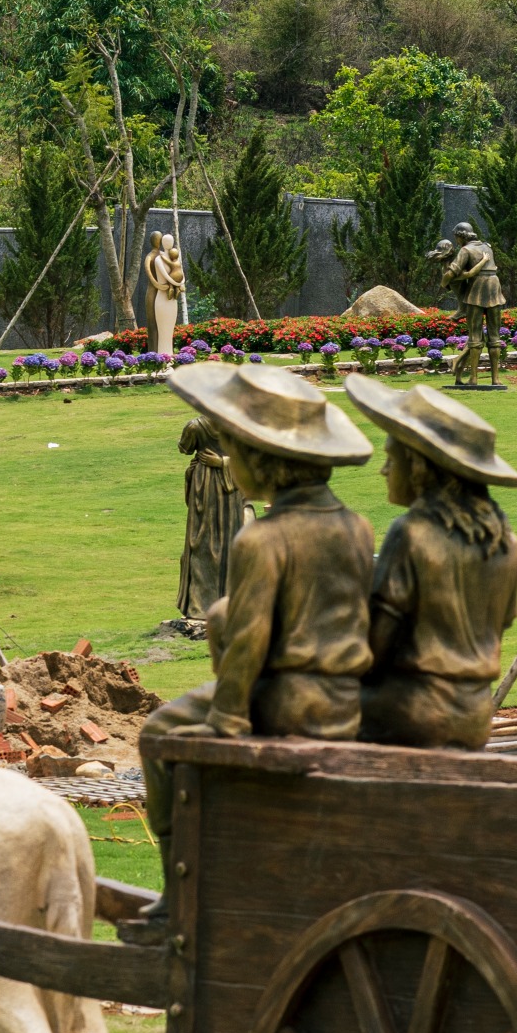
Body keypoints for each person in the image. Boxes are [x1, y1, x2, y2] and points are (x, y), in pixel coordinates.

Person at [136, 363, 375, 767]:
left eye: (238, 449)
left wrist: (226, 722)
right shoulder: (358, 527)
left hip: (290, 701)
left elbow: (249, 639)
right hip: (349, 696)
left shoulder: (261, 539)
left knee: (158, 731)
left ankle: (177, 832)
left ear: (263, 462)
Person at [346, 375, 517, 749]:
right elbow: (503, 621)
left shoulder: (412, 533)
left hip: (408, 710)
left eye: (391, 459)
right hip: (475, 713)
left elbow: (377, 643)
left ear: (420, 467)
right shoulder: (507, 543)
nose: (383, 471)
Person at [176, 416, 248, 624]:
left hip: (208, 485)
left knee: (204, 542)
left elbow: (184, 448)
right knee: (216, 542)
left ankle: (205, 605)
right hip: (226, 489)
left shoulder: (194, 426)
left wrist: (219, 462)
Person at [427, 222, 506, 387]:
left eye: (457, 237)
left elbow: (451, 272)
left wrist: (445, 282)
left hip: (477, 290)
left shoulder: (465, 250)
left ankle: (473, 379)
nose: (456, 241)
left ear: (461, 236)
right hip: (494, 288)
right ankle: (495, 379)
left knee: (475, 336)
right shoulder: (487, 247)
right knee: (494, 337)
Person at [146, 231, 187, 362]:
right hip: (163, 297)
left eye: (171, 241)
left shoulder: (176, 258)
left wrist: (180, 283)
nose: (169, 244)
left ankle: (169, 354)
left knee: (169, 329)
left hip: (172, 298)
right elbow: (165, 275)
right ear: (163, 242)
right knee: (162, 328)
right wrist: (176, 283)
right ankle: (163, 354)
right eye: (166, 241)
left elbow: (182, 273)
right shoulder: (158, 258)